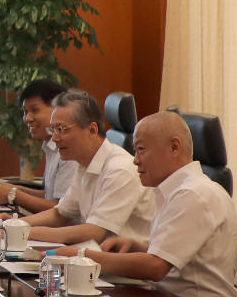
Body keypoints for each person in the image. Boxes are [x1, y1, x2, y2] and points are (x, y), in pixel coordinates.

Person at [56, 111, 237, 297]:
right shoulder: (172, 190)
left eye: (141, 150)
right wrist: (136, 246)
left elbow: (155, 268)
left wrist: (83, 255)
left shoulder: (194, 194)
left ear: (174, 147)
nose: (135, 160)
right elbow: (175, 259)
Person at [24, 89, 154, 245]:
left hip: (122, 259)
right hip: (95, 255)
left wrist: (26, 232)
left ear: (92, 130)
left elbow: (94, 232)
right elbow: (61, 214)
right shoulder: (83, 164)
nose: (55, 138)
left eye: (61, 129)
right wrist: (15, 224)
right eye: (53, 130)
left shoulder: (120, 170)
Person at [0, 79, 76, 214]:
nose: (27, 118)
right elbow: (49, 196)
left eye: (35, 110)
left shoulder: (70, 151)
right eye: (25, 112)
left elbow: (62, 211)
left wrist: (13, 195)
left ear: (57, 110)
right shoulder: (50, 146)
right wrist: (15, 189)